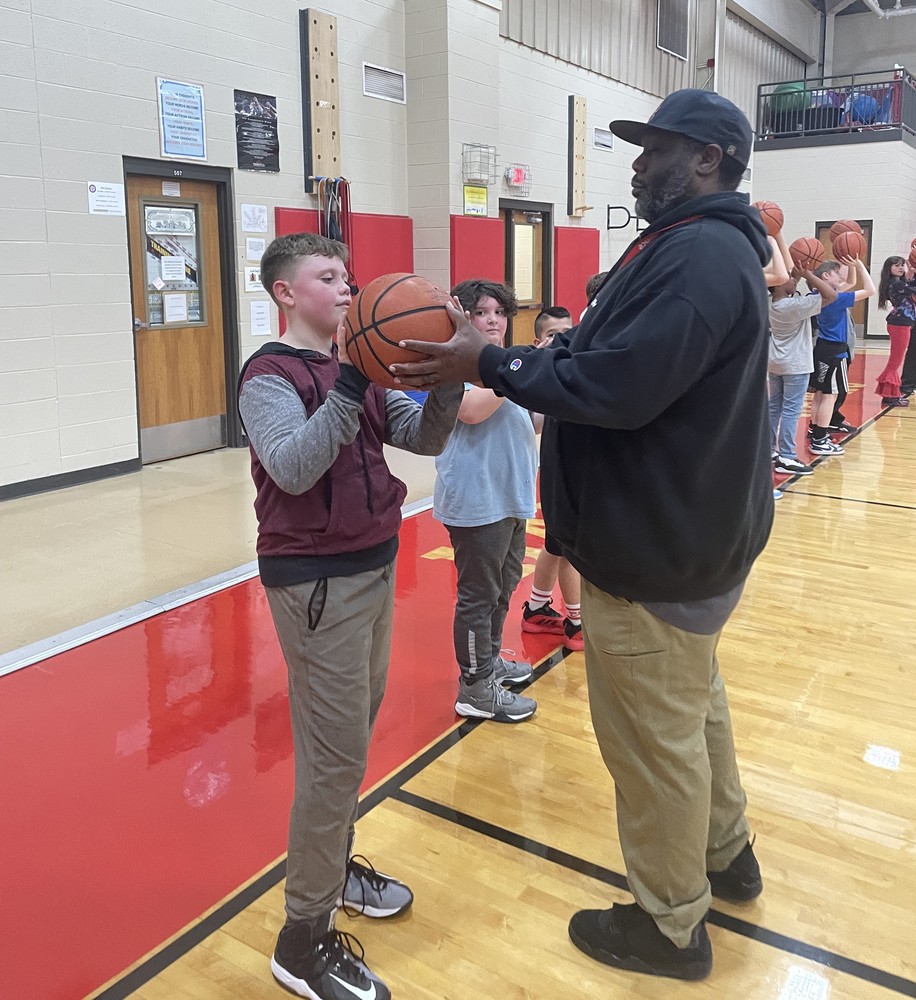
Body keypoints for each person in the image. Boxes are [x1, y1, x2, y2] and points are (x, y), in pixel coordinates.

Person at [390, 88, 774, 981]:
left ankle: (669, 926)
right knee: (694, 709)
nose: (637, 165)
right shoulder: (695, 248)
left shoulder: (702, 257)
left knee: (653, 746)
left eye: (656, 150)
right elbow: (591, 354)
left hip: (657, 551)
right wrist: (521, 356)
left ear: (709, 160)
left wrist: (488, 360)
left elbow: (617, 385)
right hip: (686, 539)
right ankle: (728, 856)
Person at [237, 232, 462, 1000]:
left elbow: (425, 438)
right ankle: (301, 941)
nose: (346, 287)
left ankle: (333, 872)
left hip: (373, 568)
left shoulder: (356, 370)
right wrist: (346, 385)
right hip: (316, 584)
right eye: (327, 277)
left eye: (348, 276)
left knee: (350, 746)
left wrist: (454, 372)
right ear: (285, 293)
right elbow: (294, 470)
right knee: (332, 762)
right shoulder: (268, 375)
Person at [434, 278, 539, 723]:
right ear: (463, 318)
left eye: (499, 311)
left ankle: (489, 663)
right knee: (478, 596)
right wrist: (518, 369)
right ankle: (474, 688)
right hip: (476, 501)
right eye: (481, 312)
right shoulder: (454, 365)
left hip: (512, 496)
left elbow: (533, 423)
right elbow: (472, 412)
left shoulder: (504, 366)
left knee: (503, 589)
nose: (493, 320)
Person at [522, 306, 584, 651]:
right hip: (558, 472)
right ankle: (576, 622)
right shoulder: (538, 376)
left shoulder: (577, 369)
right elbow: (533, 424)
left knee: (554, 545)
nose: (562, 340)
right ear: (537, 342)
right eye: (552, 335)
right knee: (568, 547)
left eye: (567, 332)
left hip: (568, 470)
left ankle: (536, 606)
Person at [768, 265, 837, 476]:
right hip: (795, 364)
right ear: (780, 283)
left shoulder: (769, 301)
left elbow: (789, 286)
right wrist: (807, 273)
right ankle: (787, 456)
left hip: (774, 361)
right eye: (790, 278)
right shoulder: (794, 305)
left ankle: (769, 450)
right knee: (791, 410)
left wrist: (795, 275)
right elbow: (831, 295)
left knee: (774, 407)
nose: (794, 280)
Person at [808, 256, 875, 453]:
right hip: (835, 351)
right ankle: (820, 440)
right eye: (837, 272)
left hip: (821, 348)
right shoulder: (837, 298)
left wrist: (852, 265)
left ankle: (814, 430)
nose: (841, 276)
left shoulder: (815, 294)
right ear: (826, 275)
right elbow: (870, 290)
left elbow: (851, 282)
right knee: (830, 396)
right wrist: (861, 265)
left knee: (820, 395)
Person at [875, 255, 915, 407]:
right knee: (895, 361)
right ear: (889, 268)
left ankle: (889, 394)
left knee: (895, 361)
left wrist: (911, 272)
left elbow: (910, 285)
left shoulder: (899, 283)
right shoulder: (896, 284)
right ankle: (889, 396)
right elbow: (913, 288)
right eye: (896, 265)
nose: (900, 268)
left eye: (902, 265)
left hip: (901, 323)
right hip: (900, 324)